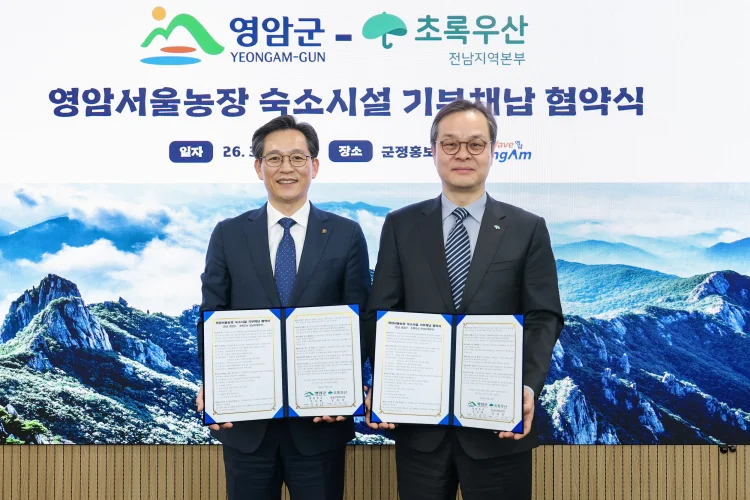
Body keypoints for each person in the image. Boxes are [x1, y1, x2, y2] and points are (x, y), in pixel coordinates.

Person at [364, 99, 563, 500]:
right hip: (420, 428)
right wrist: (382, 383)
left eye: (475, 144)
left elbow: (544, 315)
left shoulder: (526, 227)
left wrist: (527, 386)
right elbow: (381, 312)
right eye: (450, 144)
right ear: (433, 151)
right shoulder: (401, 225)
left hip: (498, 426)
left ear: (493, 151)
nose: (463, 154)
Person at [195, 115, 371, 500]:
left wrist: (346, 386)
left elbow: (360, 319)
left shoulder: (346, 234)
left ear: (314, 165)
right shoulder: (228, 233)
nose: (286, 168)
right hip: (247, 424)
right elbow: (212, 316)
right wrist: (214, 383)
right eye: (274, 158)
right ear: (258, 167)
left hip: (320, 423)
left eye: (297, 157)